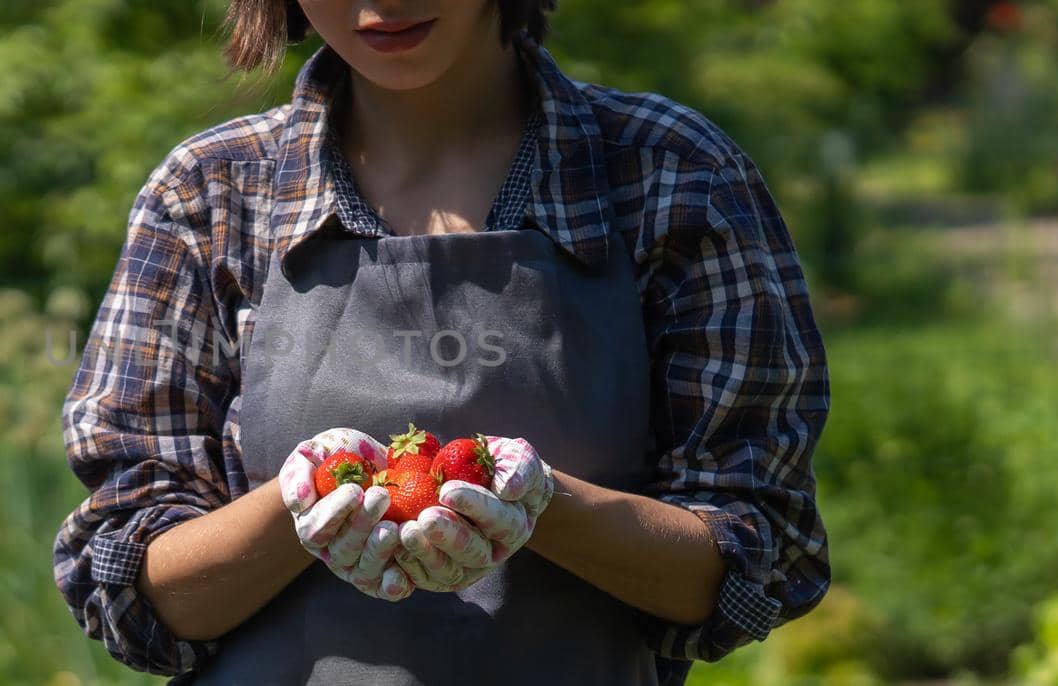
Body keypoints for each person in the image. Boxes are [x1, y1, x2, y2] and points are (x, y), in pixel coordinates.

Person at [52, 1, 831, 684]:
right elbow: (132, 590)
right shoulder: (207, 195)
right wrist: (297, 514)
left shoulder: (672, 175)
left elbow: (757, 563)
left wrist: (542, 506)